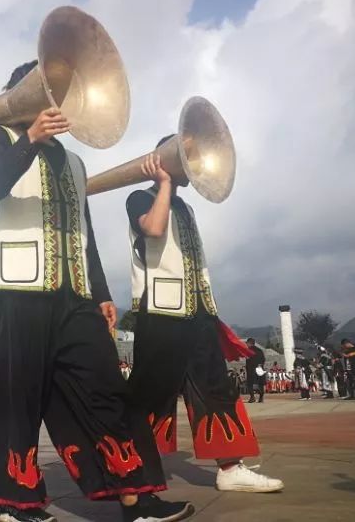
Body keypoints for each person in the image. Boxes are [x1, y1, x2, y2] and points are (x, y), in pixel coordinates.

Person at [0, 61, 194, 522]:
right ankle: (14, 504)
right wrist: (30, 137)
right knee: (18, 397)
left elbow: (84, 232)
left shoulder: (74, 161)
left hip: (74, 296)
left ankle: (137, 495)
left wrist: (102, 292)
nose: (53, 101)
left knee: (108, 390)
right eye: (42, 90)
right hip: (19, 292)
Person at [125, 137, 284, 497]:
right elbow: (152, 229)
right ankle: (132, 469)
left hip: (198, 315)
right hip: (160, 314)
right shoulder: (139, 198)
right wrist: (164, 182)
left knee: (216, 389)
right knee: (150, 394)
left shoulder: (185, 208)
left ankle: (230, 467)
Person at [244, 338, 266, 404]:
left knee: (250, 384)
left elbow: (248, 361)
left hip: (251, 370)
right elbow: (263, 360)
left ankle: (252, 397)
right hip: (260, 368)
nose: (246, 344)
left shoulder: (248, 351)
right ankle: (261, 398)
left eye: (247, 343)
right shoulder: (260, 351)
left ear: (249, 343)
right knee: (260, 384)